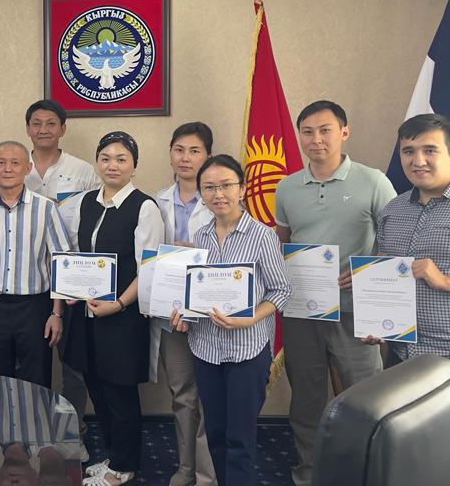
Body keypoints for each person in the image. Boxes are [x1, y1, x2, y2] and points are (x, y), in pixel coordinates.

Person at [273, 101, 395, 486]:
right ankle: (309, 474)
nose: (316, 139)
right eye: (307, 131)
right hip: (303, 312)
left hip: (356, 312)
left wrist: (365, 274)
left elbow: (395, 243)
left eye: (325, 130)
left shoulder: (373, 181)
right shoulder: (287, 187)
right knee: (306, 401)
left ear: (344, 132)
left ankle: (365, 475)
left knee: (366, 400)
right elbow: (282, 243)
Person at [372, 113, 450, 486]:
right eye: (408, 151)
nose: (418, 160)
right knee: (408, 455)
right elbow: (387, 274)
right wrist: (376, 319)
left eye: (430, 150)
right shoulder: (393, 210)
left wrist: (445, 281)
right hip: (403, 354)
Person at [170, 154, 291, 486]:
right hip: (206, 349)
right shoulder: (201, 235)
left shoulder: (263, 236)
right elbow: (200, 291)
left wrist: (250, 318)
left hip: (246, 352)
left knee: (239, 439)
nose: (218, 194)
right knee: (216, 435)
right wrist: (184, 313)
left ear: (242, 188)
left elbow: (282, 290)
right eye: (209, 187)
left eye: (226, 185)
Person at [62, 132, 162, 486]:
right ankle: (112, 455)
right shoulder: (86, 203)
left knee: (119, 393)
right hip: (88, 315)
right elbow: (80, 257)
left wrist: (118, 303)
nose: (112, 165)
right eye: (105, 158)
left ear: (134, 165)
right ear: (96, 163)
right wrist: (71, 288)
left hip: (122, 317)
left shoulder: (144, 207)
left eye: (121, 159)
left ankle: (124, 466)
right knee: (97, 388)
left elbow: (147, 269)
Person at [0, 141, 72, 387]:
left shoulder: (46, 209)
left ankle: (34, 415)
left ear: (27, 168)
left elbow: (60, 261)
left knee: (37, 381)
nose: (8, 169)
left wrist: (57, 313)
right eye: (1, 163)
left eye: (15, 163)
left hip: (35, 308)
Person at [22, 99, 100, 433]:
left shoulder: (82, 171)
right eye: (37, 123)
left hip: (70, 278)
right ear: (28, 129)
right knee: (30, 357)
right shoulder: (16, 166)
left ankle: (73, 427)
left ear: (63, 129)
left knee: (72, 361)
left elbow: (97, 220)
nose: (43, 130)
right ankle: (30, 424)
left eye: (51, 123)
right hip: (28, 278)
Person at [151, 122, 217, 486]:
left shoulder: (220, 199)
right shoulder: (155, 201)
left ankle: (207, 474)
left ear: (208, 155)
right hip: (170, 315)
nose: (185, 158)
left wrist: (193, 251)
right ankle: (186, 468)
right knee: (182, 396)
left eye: (194, 151)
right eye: (179, 150)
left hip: (209, 317)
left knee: (209, 396)